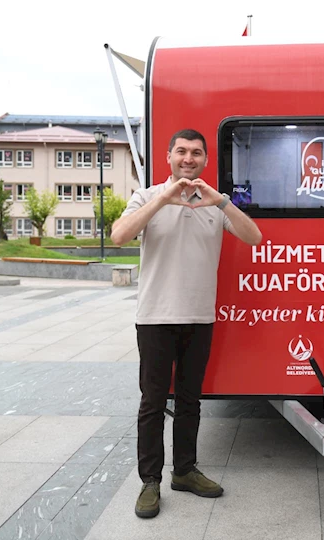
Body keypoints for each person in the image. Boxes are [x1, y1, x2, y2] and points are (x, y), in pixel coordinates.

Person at [110, 129, 262, 519]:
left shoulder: (214, 202)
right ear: (169, 157)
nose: (188, 158)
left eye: (196, 153)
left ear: (205, 160)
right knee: (152, 402)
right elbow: (119, 235)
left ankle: (184, 470)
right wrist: (163, 199)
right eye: (181, 151)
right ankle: (150, 481)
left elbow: (254, 237)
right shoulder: (147, 196)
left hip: (199, 316)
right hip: (155, 318)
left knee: (190, 400)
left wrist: (222, 201)